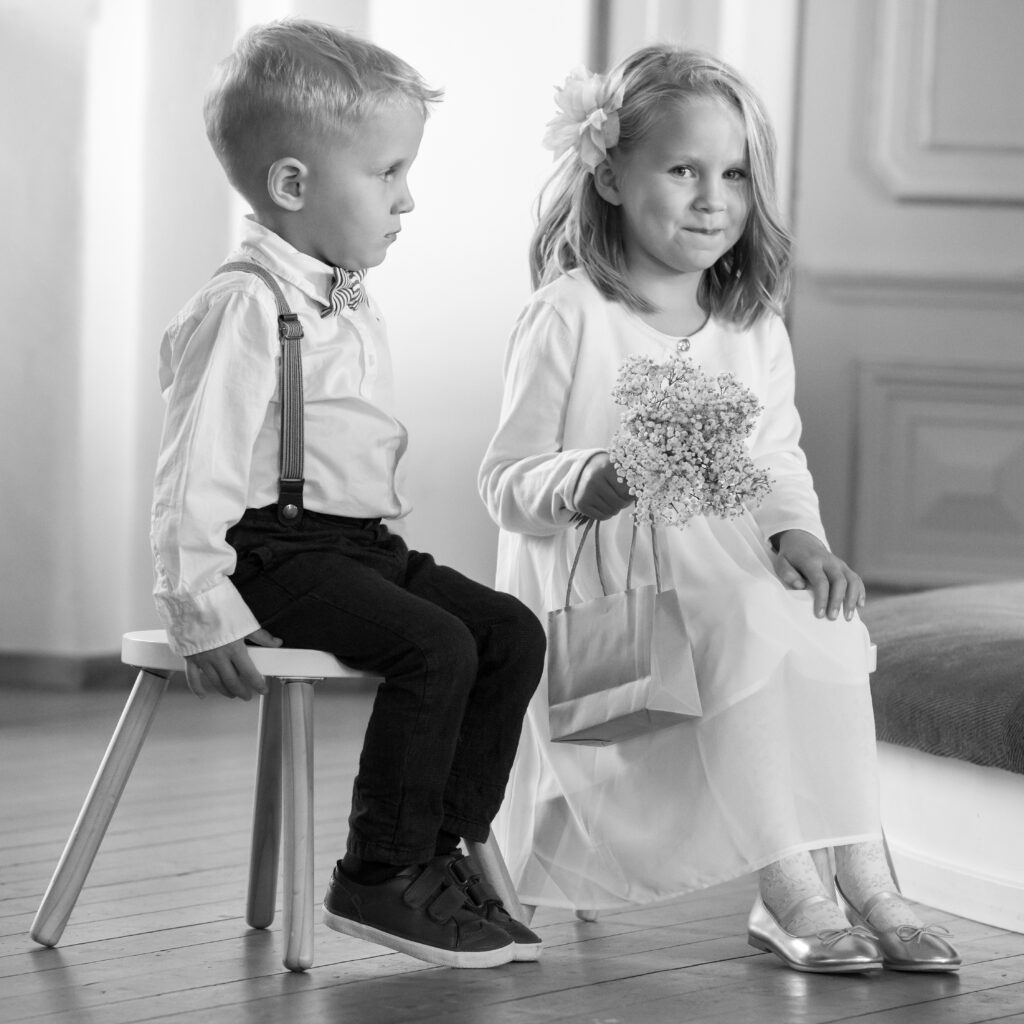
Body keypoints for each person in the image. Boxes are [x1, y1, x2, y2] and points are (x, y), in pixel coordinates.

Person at [478, 45, 960, 974]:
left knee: (828, 627)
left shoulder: (752, 325)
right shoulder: (570, 314)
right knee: (746, 617)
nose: (713, 199)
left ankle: (868, 881)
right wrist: (581, 478)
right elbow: (504, 482)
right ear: (609, 176)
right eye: (683, 171)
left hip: (722, 579)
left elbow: (774, 458)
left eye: (734, 174)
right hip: (610, 617)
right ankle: (791, 893)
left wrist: (800, 536)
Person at [151, 18, 546, 970]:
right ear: (293, 185)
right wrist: (200, 606)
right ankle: (379, 872)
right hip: (273, 551)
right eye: (388, 173)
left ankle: (434, 857)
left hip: (359, 545)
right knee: (435, 647)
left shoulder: (344, 290)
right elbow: (193, 468)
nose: (408, 198)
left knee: (508, 632)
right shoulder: (246, 304)